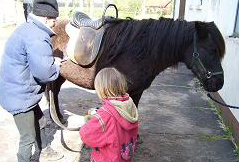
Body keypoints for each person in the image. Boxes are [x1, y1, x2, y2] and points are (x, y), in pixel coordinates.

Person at [0, 0, 64, 161]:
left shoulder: (26, 28)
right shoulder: (37, 38)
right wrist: (55, 65)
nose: (55, 23)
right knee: (27, 139)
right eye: (53, 19)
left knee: (40, 120)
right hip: (20, 97)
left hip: (17, 90)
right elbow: (45, 74)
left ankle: (45, 149)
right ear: (44, 18)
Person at [80, 67, 139, 162]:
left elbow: (86, 135)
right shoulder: (130, 104)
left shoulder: (104, 115)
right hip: (124, 157)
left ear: (101, 89)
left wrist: (89, 121)